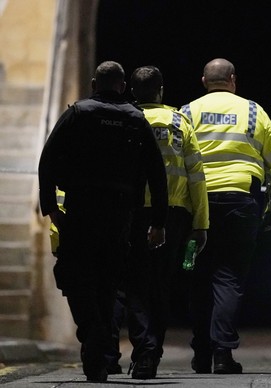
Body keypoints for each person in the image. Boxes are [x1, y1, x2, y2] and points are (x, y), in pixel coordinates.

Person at [38, 61, 168, 383]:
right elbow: (157, 174)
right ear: (123, 87)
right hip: (121, 214)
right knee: (108, 281)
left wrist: (50, 206)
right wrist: (159, 220)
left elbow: (48, 159)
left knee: (75, 277)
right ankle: (97, 349)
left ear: (95, 82)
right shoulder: (136, 119)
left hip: (81, 211)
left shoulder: (78, 113)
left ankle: (94, 338)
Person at [180, 58, 271, 374]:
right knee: (229, 278)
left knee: (193, 274)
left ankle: (200, 354)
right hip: (241, 207)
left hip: (194, 212)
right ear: (233, 79)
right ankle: (222, 355)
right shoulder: (254, 112)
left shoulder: (186, 112)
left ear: (204, 80)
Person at [107, 65, 210, 379]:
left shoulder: (124, 118)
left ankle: (135, 352)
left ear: (132, 91)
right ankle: (152, 354)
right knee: (160, 286)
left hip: (131, 211)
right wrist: (201, 223)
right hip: (174, 213)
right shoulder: (179, 121)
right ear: (161, 90)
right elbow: (196, 175)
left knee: (131, 284)